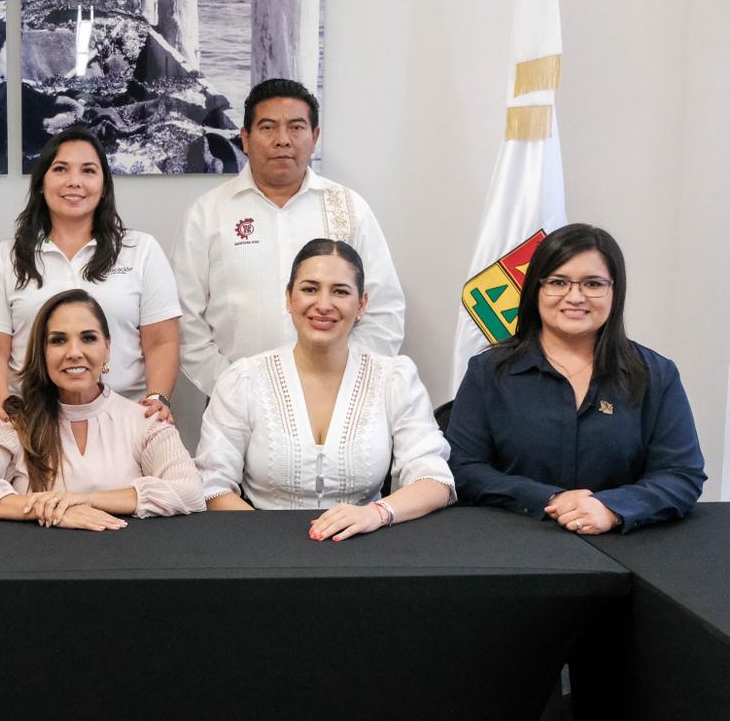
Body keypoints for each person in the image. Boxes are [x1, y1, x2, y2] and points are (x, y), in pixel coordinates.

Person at [447, 224, 705, 534]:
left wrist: (612, 508)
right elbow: (462, 468)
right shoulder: (489, 371)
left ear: (615, 291)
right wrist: (550, 499)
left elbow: (681, 474)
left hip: (624, 546)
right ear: (535, 290)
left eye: (593, 284)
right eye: (558, 282)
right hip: (514, 540)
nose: (575, 297)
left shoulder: (655, 374)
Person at [195, 239, 452, 540]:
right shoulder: (244, 379)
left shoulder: (394, 378)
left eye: (340, 291)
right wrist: (271, 539)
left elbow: (434, 480)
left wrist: (376, 513)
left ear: (361, 304)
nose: (324, 304)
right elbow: (212, 485)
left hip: (365, 545)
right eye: (310, 289)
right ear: (289, 297)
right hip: (260, 546)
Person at [171, 78, 406, 398]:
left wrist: (343, 381)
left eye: (296, 127)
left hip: (335, 398)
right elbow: (186, 319)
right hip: (235, 401)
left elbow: (383, 310)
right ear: (245, 138)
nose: (282, 140)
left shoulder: (349, 209)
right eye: (268, 127)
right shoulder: (208, 213)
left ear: (314, 137)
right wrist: (232, 388)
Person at [0, 289, 205, 529]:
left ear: (107, 348)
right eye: (58, 340)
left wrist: (85, 500)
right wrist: (49, 509)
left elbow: (189, 491)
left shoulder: (145, 420)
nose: (74, 352)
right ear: (42, 352)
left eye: (88, 338)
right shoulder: (15, 423)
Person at [0, 125, 181, 429]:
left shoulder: (141, 250)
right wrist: (4, 408)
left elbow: (162, 341)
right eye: (60, 169)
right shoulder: (6, 257)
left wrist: (157, 398)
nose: (74, 181)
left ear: (104, 185)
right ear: (41, 183)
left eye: (88, 171)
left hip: (125, 420)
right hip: (31, 421)